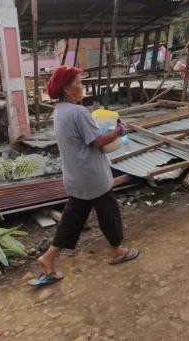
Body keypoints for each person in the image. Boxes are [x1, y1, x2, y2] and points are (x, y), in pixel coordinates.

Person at [28, 65, 139, 286]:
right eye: (79, 83)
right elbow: (97, 141)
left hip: (75, 176)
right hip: (92, 175)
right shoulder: (79, 112)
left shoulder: (60, 110)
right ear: (68, 90)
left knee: (72, 219)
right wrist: (118, 131)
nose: (83, 86)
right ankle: (117, 251)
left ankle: (47, 258)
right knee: (109, 213)